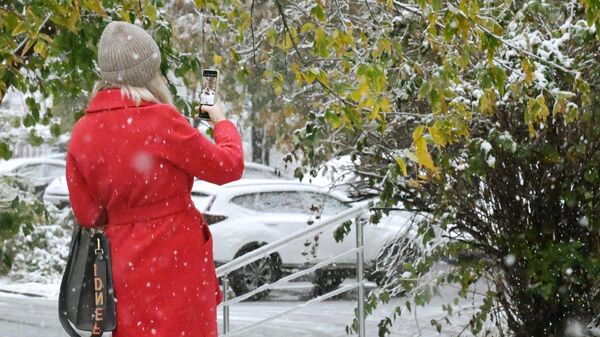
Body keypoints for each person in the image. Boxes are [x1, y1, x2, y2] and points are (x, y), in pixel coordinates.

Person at [65, 21, 244, 337]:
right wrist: (223, 122)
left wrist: (126, 216)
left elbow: (88, 214)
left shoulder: (83, 131)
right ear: (149, 72)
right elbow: (228, 166)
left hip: (123, 263)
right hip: (178, 256)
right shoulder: (162, 120)